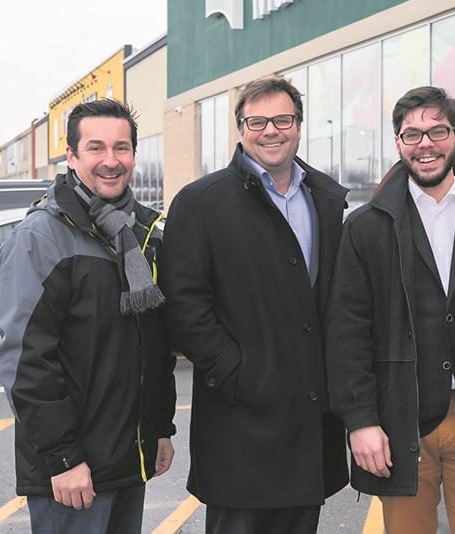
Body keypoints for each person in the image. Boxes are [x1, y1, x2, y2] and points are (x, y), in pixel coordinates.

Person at [325, 86, 455, 534]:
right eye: (412, 134)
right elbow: (347, 333)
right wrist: (361, 421)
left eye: (437, 131)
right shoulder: (364, 229)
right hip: (399, 422)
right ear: (398, 143)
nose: (425, 144)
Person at [160, 76, 349, 534]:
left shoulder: (326, 199)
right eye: (257, 122)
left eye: (282, 120)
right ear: (241, 129)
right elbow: (184, 307)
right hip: (239, 422)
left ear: (298, 125)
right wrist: (238, 372)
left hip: (309, 423)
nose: (271, 132)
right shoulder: (201, 203)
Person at [0, 98, 177, 534]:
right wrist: (62, 457)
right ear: (72, 157)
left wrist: (159, 428)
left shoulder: (140, 234)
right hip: (72, 474)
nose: (111, 160)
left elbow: (152, 346)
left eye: (121, 147)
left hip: (128, 460)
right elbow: (25, 362)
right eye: (96, 148)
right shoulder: (41, 237)